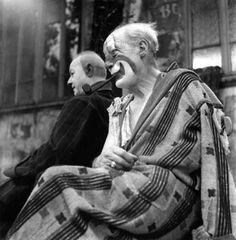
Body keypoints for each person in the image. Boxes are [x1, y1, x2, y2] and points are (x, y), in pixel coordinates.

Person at [6, 23, 236, 240]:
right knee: (63, 203)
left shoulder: (184, 84)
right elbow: (105, 160)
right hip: (128, 189)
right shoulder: (119, 107)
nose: (110, 68)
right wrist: (100, 160)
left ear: (142, 48)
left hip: (171, 195)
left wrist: (218, 227)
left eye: (114, 57)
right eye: (107, 63)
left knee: (56, 179)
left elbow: (213, 153)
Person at [0, 51, 113, 238]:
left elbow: (54, 153)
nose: (69, 81)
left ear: (89, 70)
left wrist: (14, 172)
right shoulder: (111, 105)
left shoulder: (83, 102)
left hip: (43, 189)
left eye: (72, 74)